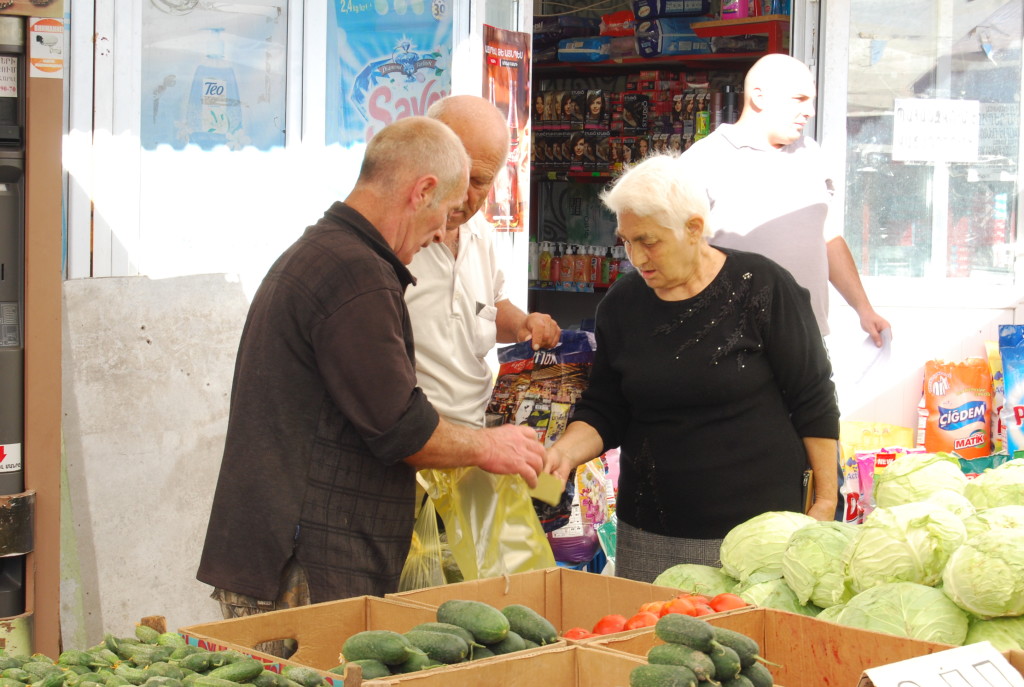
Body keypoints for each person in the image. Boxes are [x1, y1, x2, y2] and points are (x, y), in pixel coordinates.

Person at [197, 116, 546, 618]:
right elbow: (402, 429)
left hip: (293, 552)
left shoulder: (326, 251)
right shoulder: (356, 274)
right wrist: (490, 444)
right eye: (445, 213)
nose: (438, 234)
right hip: (304, 562)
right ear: (421, 191)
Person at [543, 154, 840, 583]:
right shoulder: (622, 305)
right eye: (626, 241)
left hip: (759, 531)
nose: (636, 257)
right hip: (651, 530)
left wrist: (826, 500)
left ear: (694, 229)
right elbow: (606, 408)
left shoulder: (762, 287)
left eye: (649, 241)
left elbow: (813, 397)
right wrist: (562, 455)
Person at [681, 53, 890, 346]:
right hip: (732, 342)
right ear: (759, 96)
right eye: (799, 99)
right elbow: (670, 254)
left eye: (811, 100)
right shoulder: (702, 160)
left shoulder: (811, 154)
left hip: (808, 337)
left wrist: (863, 309)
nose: (810, 111)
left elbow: (828, 239)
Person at [408, 95, 560, 430]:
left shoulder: (479, 231)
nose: (463, 194)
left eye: (479, 182)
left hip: (474, 437)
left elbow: (489, 306)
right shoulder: (394, 241)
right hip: (414, 443)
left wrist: (524, 324)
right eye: (456, 175)